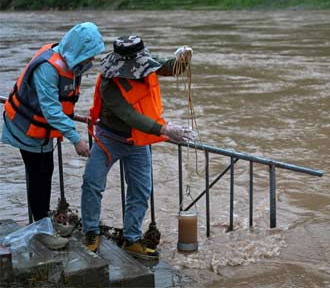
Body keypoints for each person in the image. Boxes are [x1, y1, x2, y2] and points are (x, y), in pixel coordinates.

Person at [81, 35, 195, 259]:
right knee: (92, 183)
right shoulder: (109, 82)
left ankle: (131, 239)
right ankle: (90, 233)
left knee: (141, 191)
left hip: (138, 141)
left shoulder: (146, 63)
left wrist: (184, 58)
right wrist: (165, 129)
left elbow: (170, 68)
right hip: (109, 138)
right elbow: (129, 115)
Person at [2, 22, 105, 249]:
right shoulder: (48, 68)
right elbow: (51, 111)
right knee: (38, 176)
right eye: (88, 57)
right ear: (77, 51)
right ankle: (41, 230)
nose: (90, 63)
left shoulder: (69, 62)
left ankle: (44, 223)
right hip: (26, 129)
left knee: (45, 172)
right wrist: (76, 139)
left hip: (43, 132)